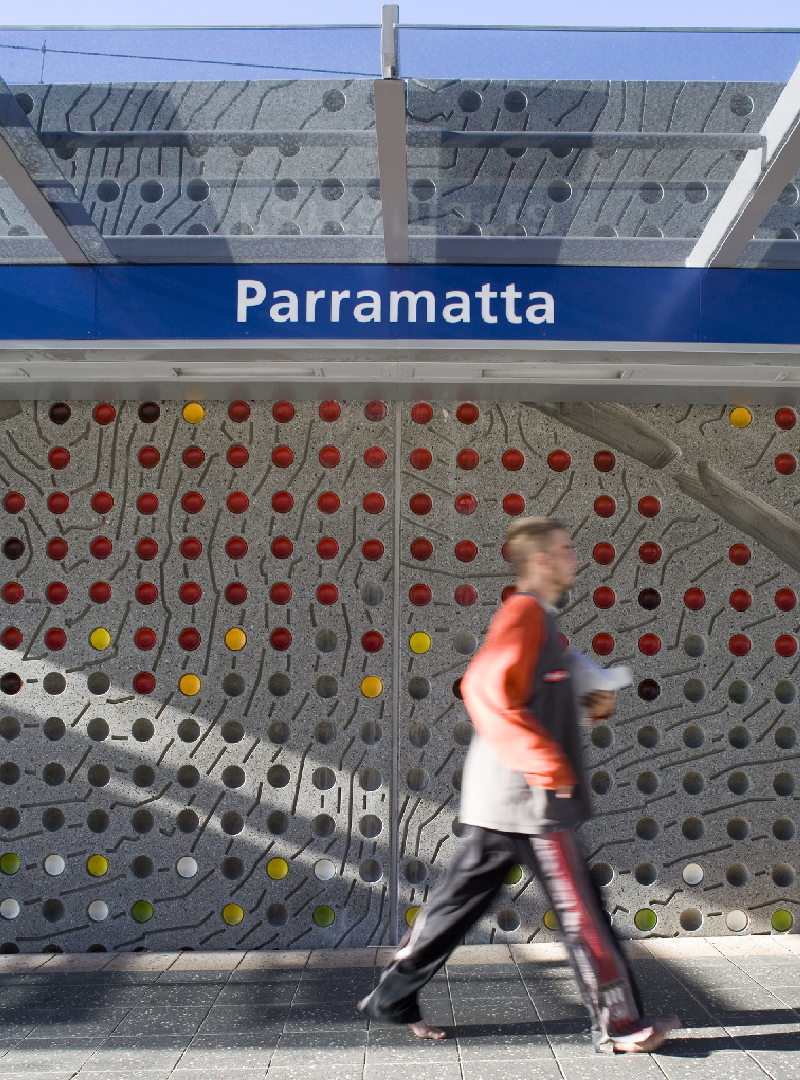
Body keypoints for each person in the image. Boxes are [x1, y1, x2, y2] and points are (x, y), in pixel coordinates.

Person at [359, 516, 680, 1055]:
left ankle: (392, 996)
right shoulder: (524, 614)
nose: (574, 558)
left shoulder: (542, 622)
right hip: (530, 797)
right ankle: (620, 1025)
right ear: (539, 560)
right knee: (581, 912)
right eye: (566, 549)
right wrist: (544, 763)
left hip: (505, 795)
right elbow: (482, 687)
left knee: (456, 905)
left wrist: (591, 696)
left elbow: (537, 684)